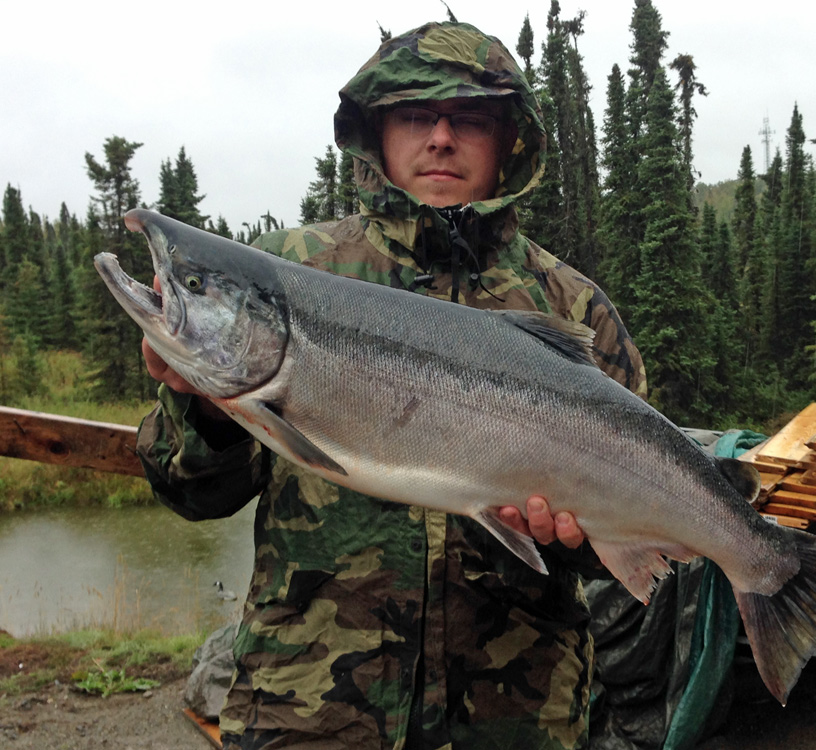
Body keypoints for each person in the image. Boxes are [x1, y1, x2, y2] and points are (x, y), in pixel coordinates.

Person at [136, 20, 646, 750]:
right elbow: (188, 493)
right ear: (377, 132)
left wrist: (571, 541)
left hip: (513, 718)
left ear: (511, 140)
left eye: (468, 118)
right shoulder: (283, 270)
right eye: (415, 114)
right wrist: (205, 409)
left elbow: (622, 543)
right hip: (309, 709)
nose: (440, 137)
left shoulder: (574, 308)